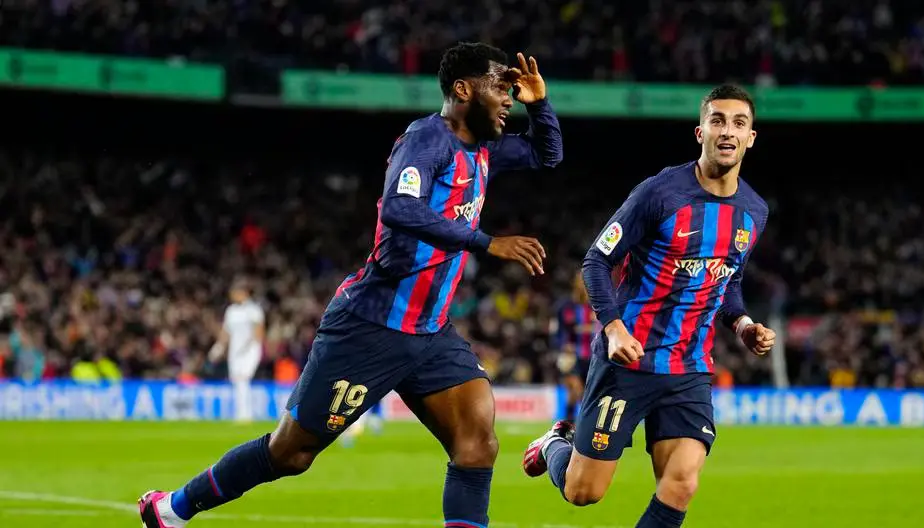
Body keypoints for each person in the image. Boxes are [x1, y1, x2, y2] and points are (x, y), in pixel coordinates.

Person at [138, 42, 562, 528]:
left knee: (478, 444)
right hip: (371, 326)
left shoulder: (485, 148)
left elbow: (548, 155)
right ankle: (172, 509)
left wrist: (540, 104)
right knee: (290, 454)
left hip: (430, 333)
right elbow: (401, 209)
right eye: (499, 87)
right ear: (464, 90)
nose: (507, 98)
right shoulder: (427, 141)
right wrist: (486, 242)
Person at [522, 84, 776, 528]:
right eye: (718, 120)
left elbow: (728, 279)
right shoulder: (659, 193)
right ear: (701, 132)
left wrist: (743, 324)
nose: (728, 131)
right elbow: (597, 260)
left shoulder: (754, 211)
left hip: (689, 368)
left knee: (682, 482)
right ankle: (553, 444)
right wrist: (614, 327)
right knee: (585, 492)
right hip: (630, 362)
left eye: (739, 123)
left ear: (752, 137)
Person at [209, 280, 265, 423]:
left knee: (243, 378)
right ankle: (242, 413)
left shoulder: (253, 310)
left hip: (250, 349)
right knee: (237, 381)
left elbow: (258, 331)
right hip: (235, 351)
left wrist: (249, 348)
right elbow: (226, 332)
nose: (233, 296)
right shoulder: (231, 311)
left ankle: (245, 414)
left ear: (244, 293)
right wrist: (218, 347)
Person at [553, 271, 599, 421]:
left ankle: (572, 423)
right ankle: (569, 424)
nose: (583, 284)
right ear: (575, 283)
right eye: (580, 281)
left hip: (593, 357)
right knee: (575, 389)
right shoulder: (565, 307)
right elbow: (556, 332)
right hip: (571, 357)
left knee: (584, 395)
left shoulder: (598, 304)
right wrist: (563, 344)